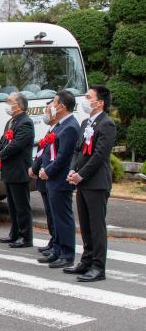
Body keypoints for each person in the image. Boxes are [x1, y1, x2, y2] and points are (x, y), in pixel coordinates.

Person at [64, 85, 116, 282]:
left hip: (97, 182)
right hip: (83, 182)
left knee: (96, 226)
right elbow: (78, 150)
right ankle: (86, 260)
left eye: (88, 97)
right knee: (85, 225)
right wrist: (72, 169)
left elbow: (99, 155)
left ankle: (98, 267)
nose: (85, 100)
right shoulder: (86, 122)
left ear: (100, 102)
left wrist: (81, 174)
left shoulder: (107, 124)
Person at [36, 91, 80, 269]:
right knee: (55, 216)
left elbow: (64, 157)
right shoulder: (61, 125)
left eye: (54, 103)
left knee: (63, 218)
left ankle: (67, 254)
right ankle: (57, 250)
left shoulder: (70, 126)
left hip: (60, 179)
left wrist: (48, 171)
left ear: (62, 106)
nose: (51, 106)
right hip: (52, 178)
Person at [0, 92, 35, 248]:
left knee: (22, 206)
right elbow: (3, 139)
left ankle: (26, 237)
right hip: (9, 169)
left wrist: (1, 154)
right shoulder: (11, 121)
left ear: (18, 105)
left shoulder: (26, 123)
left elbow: (16, 145)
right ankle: (14, 233)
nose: (7, 103)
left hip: (19, 169)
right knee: (12, 205)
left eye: (9, 101)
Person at [29, 100, 56, 256]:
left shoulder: (61, 128)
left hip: (51, 177)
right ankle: (53, 240)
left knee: (54, 213)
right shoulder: (50, 129)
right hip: (43, 177)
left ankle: (57, 242)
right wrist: (35, 167)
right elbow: (42, 152)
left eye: (48, 109)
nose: (46, 112)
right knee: (49, 213)